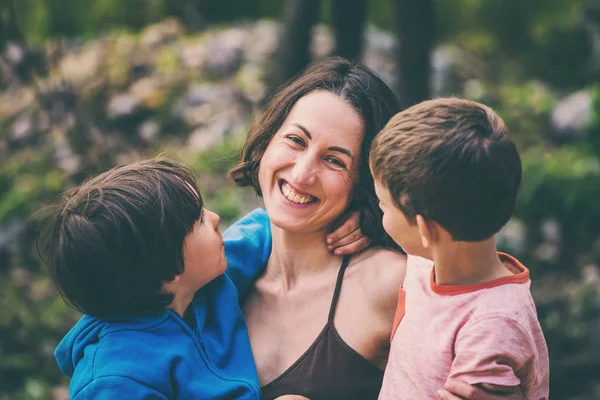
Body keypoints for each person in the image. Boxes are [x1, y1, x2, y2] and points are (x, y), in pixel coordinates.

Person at [229, 56, 407, 400]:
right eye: (296, 140)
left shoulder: (389, 284)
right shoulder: (215, 280)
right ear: (267, 140)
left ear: (364, 183)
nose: (301, 174)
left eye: (334, 160)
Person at [38, 158, 274, 399]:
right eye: (199, 220)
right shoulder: (115, 380)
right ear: (169, 267)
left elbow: (264, 229)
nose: (214, 218)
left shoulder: (208, 281)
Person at [369, 98, 550, 399]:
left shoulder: (491, 328)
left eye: (382, 205)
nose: (378, 212)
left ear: (426, 229)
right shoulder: (429, 259)